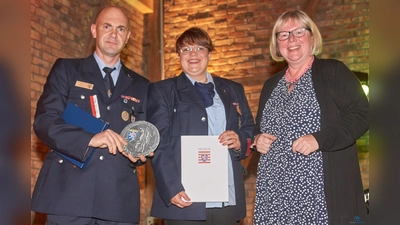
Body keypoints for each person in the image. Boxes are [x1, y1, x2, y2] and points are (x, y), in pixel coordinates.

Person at [32, 6, 152, 225]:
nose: (114, 34)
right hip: (68, 196)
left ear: (128, 37)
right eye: (107, 26)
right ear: (94, 30)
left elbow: (142, 135)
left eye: (120, 29)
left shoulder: (142, 86)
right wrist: (90, 138)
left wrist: (141, 154)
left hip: (118, 201)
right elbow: (44, 121)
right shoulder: (67, 70)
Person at [252, 10, 369, 225]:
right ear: (277, 44)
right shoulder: (270, 85)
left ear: (312, 37)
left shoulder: (333, 71)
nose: (292, 39)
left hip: (318, 197)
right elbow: (258, 127)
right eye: (284, 34)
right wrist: (257, 139)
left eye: (299, 32)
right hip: (274, 196)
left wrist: (318, 139)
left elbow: (362, 114)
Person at [147, 27, 255, 225]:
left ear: (210, 53)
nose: (193, 54)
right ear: (178, 55)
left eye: (199, 48)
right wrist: (171, 188)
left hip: (227, 197)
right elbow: (157, 144)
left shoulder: (233, 89)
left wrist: (239, 140)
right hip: (185, 198)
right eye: (186, 49)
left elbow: (249, 129)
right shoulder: (162, 91)